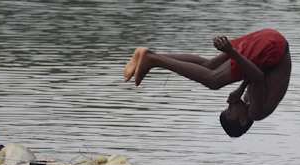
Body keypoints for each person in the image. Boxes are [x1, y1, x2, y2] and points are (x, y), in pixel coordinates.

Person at [124, 28, 291, 137]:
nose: (230, 105)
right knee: (214, 80)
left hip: (269, 42)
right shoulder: (256, 112)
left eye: (228, 108)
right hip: (273, 47)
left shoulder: (249, 103)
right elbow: (257, 77)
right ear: (242, 120)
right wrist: (231, 52)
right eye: (230, 111)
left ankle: (150, 55)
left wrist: (240, 90)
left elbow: (255, 74)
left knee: (210, 66)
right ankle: (152, 60)